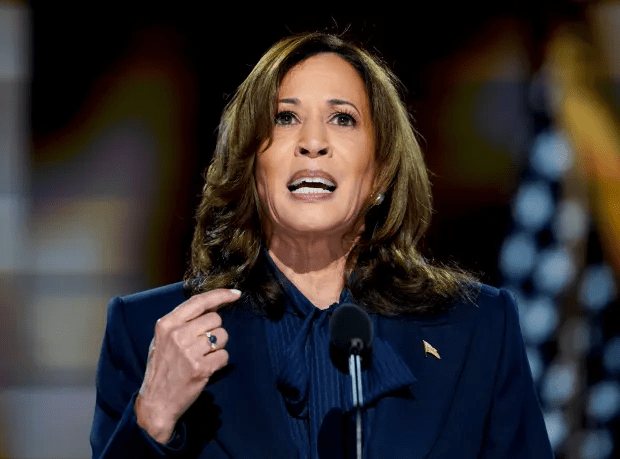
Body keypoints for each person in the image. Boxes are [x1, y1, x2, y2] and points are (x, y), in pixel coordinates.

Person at [90, 32, 554, 458]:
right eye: (285, 118)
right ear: (252, 165)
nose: (313, 142)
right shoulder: (148, 332)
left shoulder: (477, 329)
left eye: (343, 119)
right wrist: (152, 418)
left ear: (380, 172)